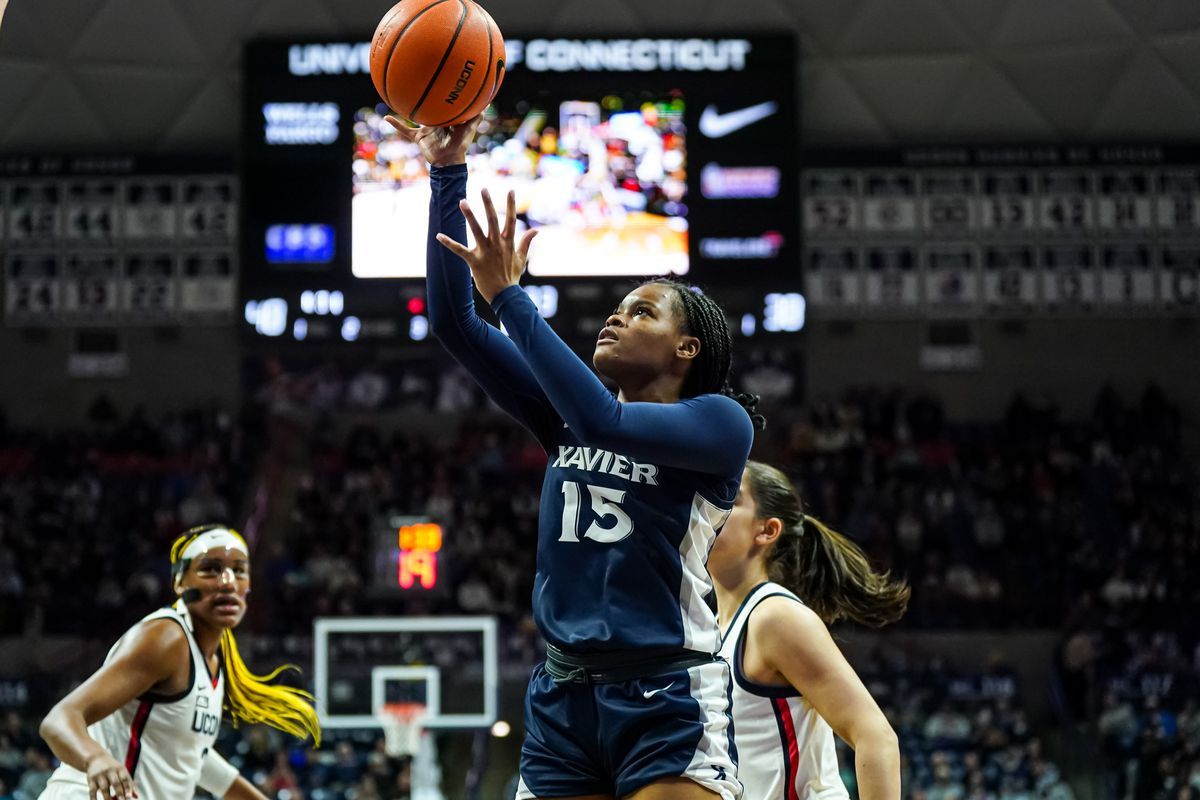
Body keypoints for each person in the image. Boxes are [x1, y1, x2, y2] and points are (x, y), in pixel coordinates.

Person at [391, 114, 763, 800]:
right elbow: (453, 323)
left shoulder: (719, 422)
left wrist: (509, 295)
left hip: (665, 691)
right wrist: (447, 170)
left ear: (689, 350)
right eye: (618, 309)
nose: (616, 318)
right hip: (562, 695)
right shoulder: (571, 416)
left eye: (643, 312)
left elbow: (604, 419)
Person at [37, 525, 320, 800]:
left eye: (239, 570)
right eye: (211, 569)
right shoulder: (165, 639)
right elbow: (60, 719)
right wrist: (95, 759)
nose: (228, 582)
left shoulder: (214, 658)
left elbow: (192, 756)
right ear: (180, 582)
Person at [707, 462, 908, 800]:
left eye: (728, 496)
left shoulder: (774, 617)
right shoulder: (712, 624)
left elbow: (875, 735)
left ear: (767, 531)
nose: (706, 505)